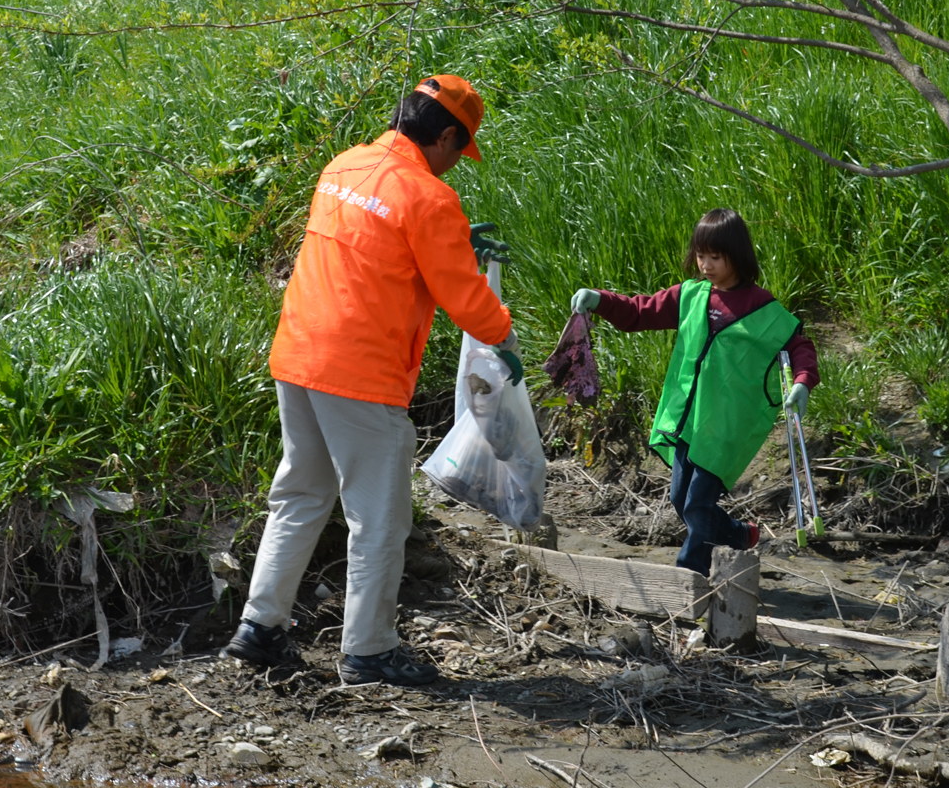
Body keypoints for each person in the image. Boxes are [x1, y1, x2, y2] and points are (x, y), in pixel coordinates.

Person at [224, 74, 522, 686]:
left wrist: (450, 240)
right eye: (456, 155)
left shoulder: (345, 165)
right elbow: (467, 302)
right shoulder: (430, 197)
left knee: (301, 493)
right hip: (360, 372)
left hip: (299, 355)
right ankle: (369, 650)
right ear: (443, 137)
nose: (453, 169)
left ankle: (259, 628)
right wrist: (504, 338)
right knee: (379, 518)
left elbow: (375, 239)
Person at [571, 208, 818, 577]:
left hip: (724, 428)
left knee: (698, 507)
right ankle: (738, 534)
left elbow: (799, 347)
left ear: (738, 255)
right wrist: (600, 299)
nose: (706, 264)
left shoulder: (763, 309)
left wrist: (802, 383)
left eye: (715, 257)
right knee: (680, 500)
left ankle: (690, 580)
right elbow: (639, 311)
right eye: (701, 255)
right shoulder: (690, 296)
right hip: (687, 420)